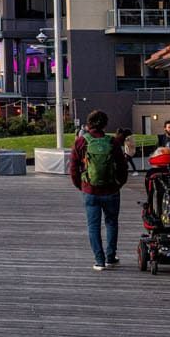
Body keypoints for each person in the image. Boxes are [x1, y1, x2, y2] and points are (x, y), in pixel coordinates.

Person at [69, 109, 129, 270]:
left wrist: (81, 186)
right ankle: (110, 257)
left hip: (90, 190)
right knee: (111, 223)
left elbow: (73, 168)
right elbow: (123, 167)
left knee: (93, 226)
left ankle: (99, 261)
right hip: (111, 190)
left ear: (88, 124)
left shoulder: (81, 142)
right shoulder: (112, 142)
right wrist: (119, 184)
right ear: (105, 124)